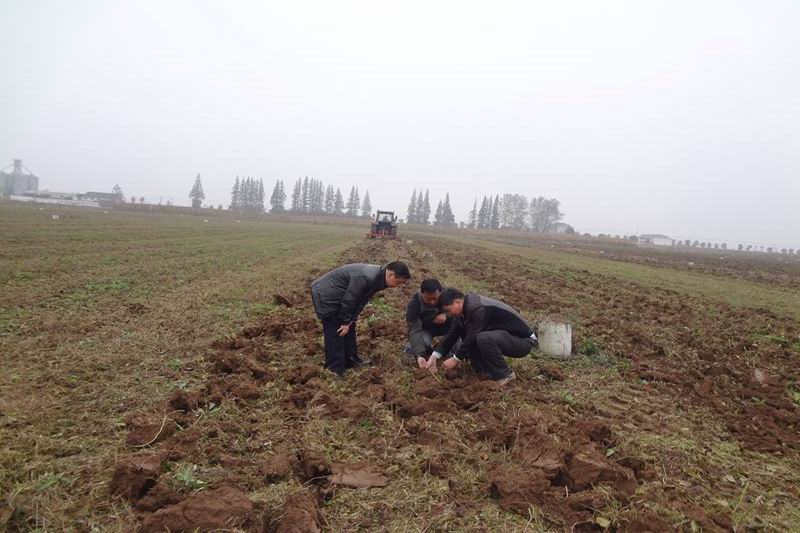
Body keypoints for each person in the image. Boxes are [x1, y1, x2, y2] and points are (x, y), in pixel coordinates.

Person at [311, 261, 411, 376]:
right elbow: (350, 299)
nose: (397, 286)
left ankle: (350, 360)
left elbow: (362, 299)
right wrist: (344, 322)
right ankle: (334, 369)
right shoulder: (367, 277)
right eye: (398, 282)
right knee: (336, 331)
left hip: (340, 295)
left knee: (350, 326)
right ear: (391, 274)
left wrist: (351, 319)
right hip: (326, 294)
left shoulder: (378, 278)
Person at [426, 288, 536, 386]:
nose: (449, 314)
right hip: (506, 338)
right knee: (469, 333)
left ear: (457, 302)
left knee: (483, 338)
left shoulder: (477, 308)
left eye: (448, 310)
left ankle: (504, 374)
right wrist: (435, 356)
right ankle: (483, 372)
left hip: (522, 341)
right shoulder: (463, 313)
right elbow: (452, 335)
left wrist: (455, 359)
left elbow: (472, 337)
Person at [404, 279, 456, 368]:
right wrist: (419, 355)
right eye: (428, 299)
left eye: (435, 299)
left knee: (456, 336)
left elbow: (460, 312)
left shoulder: (450, 295)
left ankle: (451, 355)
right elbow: (414, 330)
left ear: (441, 292)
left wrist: (446, 315)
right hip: (427, 329)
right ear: (421, 293)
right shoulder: (414, 304)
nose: (432, 302)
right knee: (415, 347)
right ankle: (426, 352)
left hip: (449, 327)